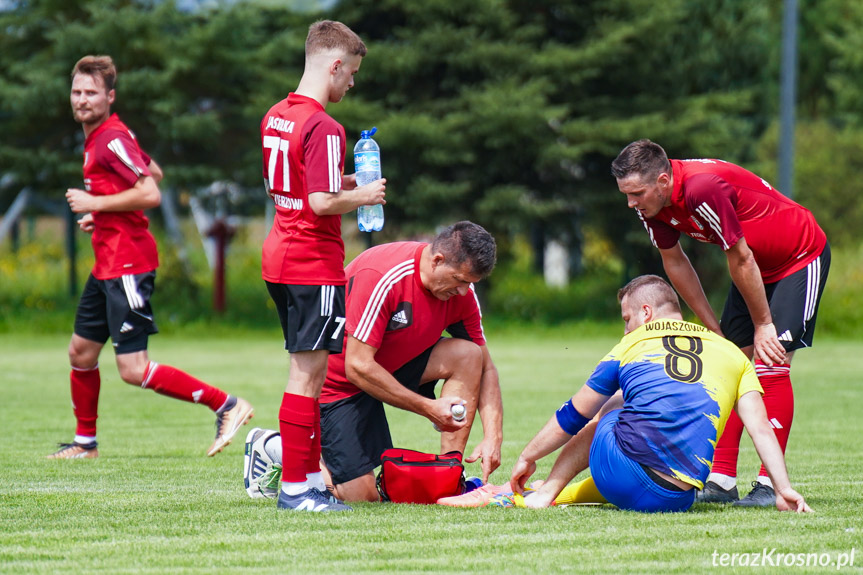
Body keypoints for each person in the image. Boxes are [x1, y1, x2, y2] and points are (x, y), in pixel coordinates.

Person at [50, 55, 254, 460]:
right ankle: (85, 444)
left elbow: (150, 191)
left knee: (132, 369)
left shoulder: (109, 138)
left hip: (127, 263)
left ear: (110, 96)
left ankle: (227, 405)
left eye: (91, 93)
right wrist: (102, 212)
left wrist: (96, 201)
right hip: (107, 261)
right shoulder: (102, 136)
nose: (82, 99)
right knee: (81, 352)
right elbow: (154, 169)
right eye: (76, 92)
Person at [610, 139, 829, 507]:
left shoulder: (701, 187)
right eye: (626, 194)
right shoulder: (653, 205)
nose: (631, 203)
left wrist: (763, 325)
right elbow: (675, 262)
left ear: (663, 181)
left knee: (771, 362)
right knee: (730, 365)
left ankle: (770, 487)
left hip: (798, 258)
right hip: (753, 268)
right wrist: (713, 327)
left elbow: (739, 255)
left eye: (636, 193)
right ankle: (722, 479)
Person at [245, 222, 504, 507]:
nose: (464, 291)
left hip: (392, 364)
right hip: (341, 381)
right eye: (459, 280)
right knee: (362, 497)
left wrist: (493, 436)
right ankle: (276, 447)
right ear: (437, 260)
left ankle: (449, 477)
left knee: (469, 355)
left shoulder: (461, 293)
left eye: (470, 284)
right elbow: (357, 367)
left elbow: (486, 367)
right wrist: (429, 408)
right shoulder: (384, 275)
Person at [508, 275, 811, 514]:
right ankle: (565, 492)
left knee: (612, 406)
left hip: (621, 477)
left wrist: (528, 455)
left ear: (646, 313)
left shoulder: (632, 343)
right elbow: (760, 429)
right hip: (679, 499)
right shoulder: (732, 352)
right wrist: (782, 489)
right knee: (636, 430)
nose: (626, 329)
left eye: (627, 319)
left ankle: (547, 493)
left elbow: (574, 414)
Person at [260, 20, 386, 512]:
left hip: (279, 255)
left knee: (302, 370)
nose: (351, 83)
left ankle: (308, 475)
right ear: (334, 65)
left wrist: (348, 178)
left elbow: (288, 185)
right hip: (312, 262)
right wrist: (363, 195)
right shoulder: (325, 125)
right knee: (308, 377)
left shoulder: (277, 114)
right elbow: (319, 201)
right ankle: (296, 489)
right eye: (351, 73)